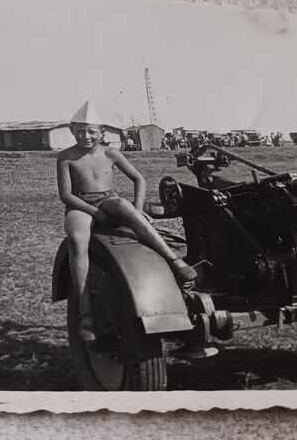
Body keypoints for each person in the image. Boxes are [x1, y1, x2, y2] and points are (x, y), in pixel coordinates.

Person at [56, 100, 197, 345]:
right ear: (72, 130)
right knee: (77, 240)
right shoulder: (66, 157)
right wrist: (93, 211)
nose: (85, 136)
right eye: (80, 131)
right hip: (80, 204)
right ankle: (86, 313)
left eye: (91, 131)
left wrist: (139, 208)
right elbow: (66, 195)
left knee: (126, 209)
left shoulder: (111, 153)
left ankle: (175, 262)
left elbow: (138, 178)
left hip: (108, 198)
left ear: (102, 133)